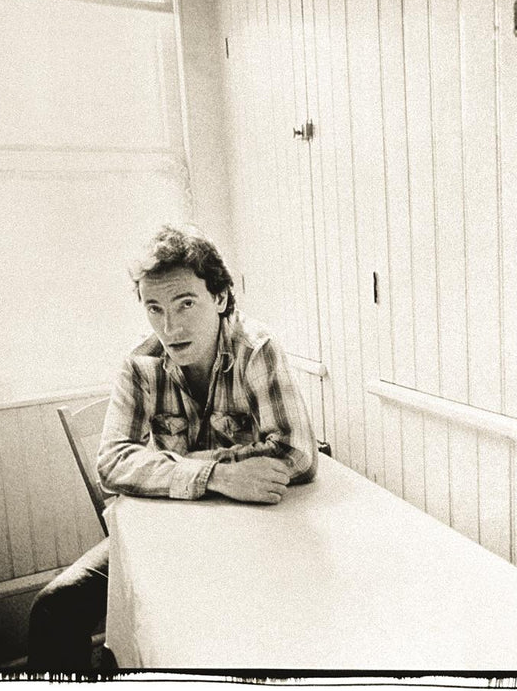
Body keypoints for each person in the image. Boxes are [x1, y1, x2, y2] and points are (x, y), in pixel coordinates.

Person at [27, 223, 318, 670]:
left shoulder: (256, 349)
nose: (170, 326)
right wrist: (218, 474)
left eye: (186, 303)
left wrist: (184, 463)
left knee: (265, 626)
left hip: (255, 535)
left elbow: (297, 452)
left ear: (219, 298)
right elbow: (111, 462)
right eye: (154, 308)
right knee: (54, 606)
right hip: (171, 538)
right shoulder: (139, 364)